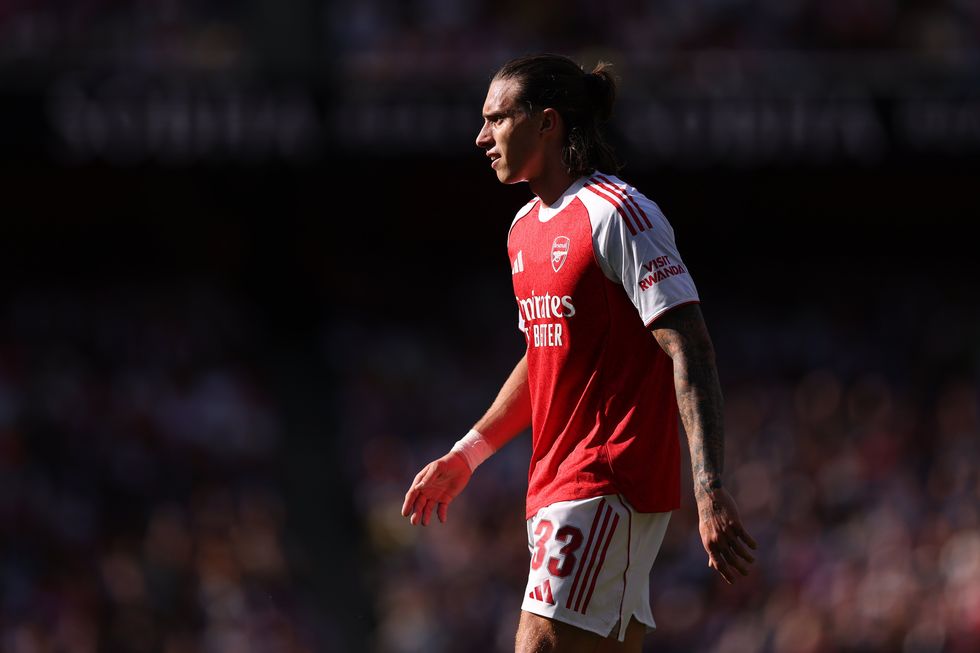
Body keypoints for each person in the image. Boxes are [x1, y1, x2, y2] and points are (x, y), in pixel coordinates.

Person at [401, 53, 757, 653]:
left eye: (496, 119)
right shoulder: (522, 229)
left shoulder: (620, 214)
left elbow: (690, 347)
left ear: (547, 122)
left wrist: (709, 485)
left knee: (536, 644)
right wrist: (467, 455)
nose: (481, 137)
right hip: (556, 481)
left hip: (606, 476)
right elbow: (545, 354)